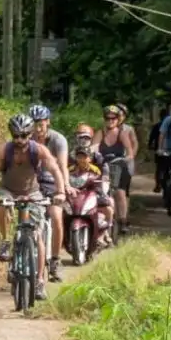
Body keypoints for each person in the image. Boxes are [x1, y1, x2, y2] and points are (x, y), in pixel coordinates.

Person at [0, 112, 64, 281]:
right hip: (8, 189)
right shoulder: (3, 150)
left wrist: (60, 191)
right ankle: (5, 241)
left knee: (37, 235)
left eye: (24, 135)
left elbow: (55, 170)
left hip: (32, 192)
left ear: (30, 134)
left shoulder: (39, 150)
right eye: (16, 136)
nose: (20, 140)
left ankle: (39, 279)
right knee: (2, 205)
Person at [26, 104, 72, 276]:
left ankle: (55, 259)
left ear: (48, 123)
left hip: (53, 182)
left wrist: (65, 186)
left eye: (41, 124)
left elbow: (62, 166)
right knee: (26, 221)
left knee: (56, 216)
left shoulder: (58, 140)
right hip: (33, 184)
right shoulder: (26, 139)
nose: (38, 129)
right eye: (34, 125)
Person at [66, 127, 114, 248]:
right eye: (81, 137)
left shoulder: (97, 155)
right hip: (74, 188)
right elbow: (64, 170)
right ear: (76, 138)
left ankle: (106, 231)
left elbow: (104, 170)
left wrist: (104, 182)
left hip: (94, 187)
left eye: (87, 138)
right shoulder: (69, 156)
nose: (84, 140)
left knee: (107, 206)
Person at [98, 103, 137, 235]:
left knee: (120, 192)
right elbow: (93, 147)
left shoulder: (122, 133)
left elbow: (130, 152)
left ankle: (122, 220)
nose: (110, 121)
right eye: (107, 118)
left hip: (118, 165)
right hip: (102, 166)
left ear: (118, 119)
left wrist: (125, 159)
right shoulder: (100, 132)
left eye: (113, 118)